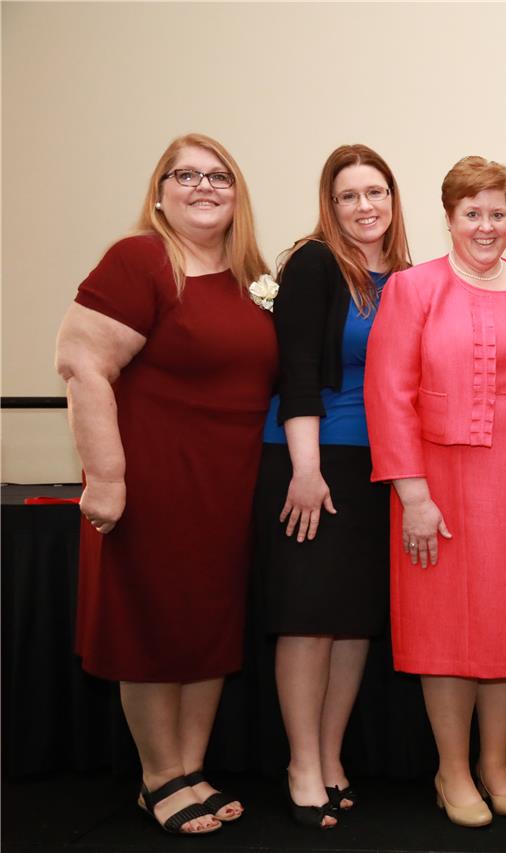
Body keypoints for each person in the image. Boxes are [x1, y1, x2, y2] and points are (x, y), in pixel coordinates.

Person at [54, 133, 277, 836]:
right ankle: (158, 777)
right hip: (152, 480)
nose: (204, 186)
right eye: (186, 175)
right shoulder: (140, 259)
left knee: (208, 625)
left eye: (219, 176)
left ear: (238, 195)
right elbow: (82, 363)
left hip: (227, 485)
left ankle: (189, 766)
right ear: (159, 193)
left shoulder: (251, 276)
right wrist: (106, 477)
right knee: (151, 626)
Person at [364, 155, 506, 828]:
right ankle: (452, 769)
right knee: (448, 626)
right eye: (472, 214)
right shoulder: (413, 288)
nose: (486, 226)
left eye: (498, 213)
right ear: (450, 218)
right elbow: (388, 396)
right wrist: (413, 496)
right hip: (441, 485)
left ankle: (496, 762)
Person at [252, 144, 411, 828]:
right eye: (348, 195)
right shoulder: (315, 263)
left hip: (378, 465)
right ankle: (300, 764)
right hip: (313, 459)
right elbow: (297, 371)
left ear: (393, 199)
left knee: (353, 622)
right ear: (331, 204)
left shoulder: (406, 277)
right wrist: (307, 470)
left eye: (375, 192)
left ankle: (330, 755)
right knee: (309, 617)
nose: (364, 206)